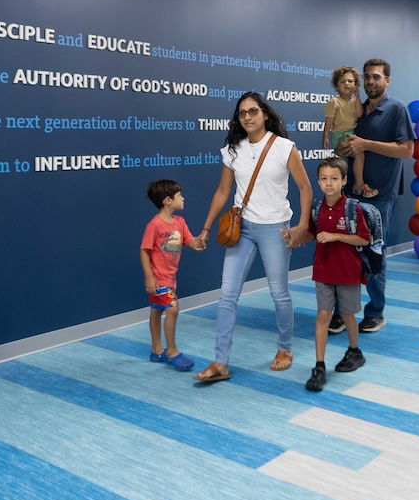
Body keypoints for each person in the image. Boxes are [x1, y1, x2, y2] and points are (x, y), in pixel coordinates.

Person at [192, 92, 313, 383]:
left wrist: (301, 226)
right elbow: (223, 192)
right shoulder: (233, 150)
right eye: (242, 112)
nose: (247, 116)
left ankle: (285, 349)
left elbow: (305, 187)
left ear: (265, 114)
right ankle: (221, 362)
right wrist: (206, 228)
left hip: (275, 228)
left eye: (253, 111)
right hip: (242, 228)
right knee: (227, 295)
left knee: (279, 293)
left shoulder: (285, 148)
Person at [332, 58, 414, 334]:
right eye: (366, 77)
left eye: (377, 77)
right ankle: (343, 311)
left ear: (387, 81)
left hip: (380, 195)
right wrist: (345, 149)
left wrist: (366, 144)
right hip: (350, 192)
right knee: (344, 252)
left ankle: (375, 312)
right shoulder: (356, 109)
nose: (370, 82)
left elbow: (406, 150)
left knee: (373, 252)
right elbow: (348, 147)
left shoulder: (396, 109)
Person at [303, 158, 370, 392]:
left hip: (348, 270)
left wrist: (335, 236)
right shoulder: (316, 207)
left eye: (334, 178)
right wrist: (292, 237)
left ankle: (355, 351)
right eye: (323, 178)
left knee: (348, 314)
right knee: (323, 315)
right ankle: (319, 365)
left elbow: (363, 238)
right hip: (323, 269)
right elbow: (311, 233)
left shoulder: (353, 208)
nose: (328, 183)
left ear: (344, 180)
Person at [140, 179, 204, 371]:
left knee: (156, 311)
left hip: (170, 278)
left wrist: (199, 242)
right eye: (179, 196)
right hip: (159, 279)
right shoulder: (155, 225)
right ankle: (172, 351)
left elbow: (190, 241)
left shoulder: (180, 222)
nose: (183, 198)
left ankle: (156, 350)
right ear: (168, 200)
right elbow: (144, 250)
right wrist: (149, 276)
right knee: (172, 310)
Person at [321, 66, 375, 198]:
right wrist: (326, 137)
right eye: (342, 81)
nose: (346, 84)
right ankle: (359, 185)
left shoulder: (355, 101)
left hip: (352, 133)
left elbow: (359, 114)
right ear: (336, 86)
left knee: (353, 159)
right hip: (340, 135)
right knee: (358, 154)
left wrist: (357, 97)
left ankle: (351, 187)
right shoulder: (334, 102)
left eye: (350, 81)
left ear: (356, 84)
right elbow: (329, 121)